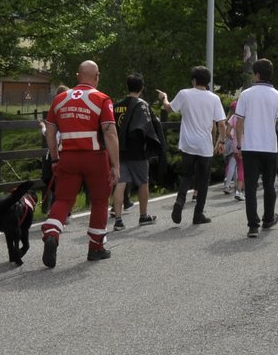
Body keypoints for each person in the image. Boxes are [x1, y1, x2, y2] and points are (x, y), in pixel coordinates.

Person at [40, 60, 120, 267]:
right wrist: (116, 165)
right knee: (100, 201)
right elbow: (110, 132)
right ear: (97, 76)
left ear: (78, 76)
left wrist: (55, 158)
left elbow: (50, 131)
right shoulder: (102, 99)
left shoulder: (59, 99)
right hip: (95, 157)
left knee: (64, 199)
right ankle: (95, 248)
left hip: (67, 157)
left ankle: (51, 232)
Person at [159, 65, 225, 226]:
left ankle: (180, 202)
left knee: (187, 176)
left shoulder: (184, 94)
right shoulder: (214, 98)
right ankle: (198, 214)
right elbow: (221, 124)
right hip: (205, 146)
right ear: (207, 81)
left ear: (194, 80)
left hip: (188, 144)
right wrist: (221, 141)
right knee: (203, 181)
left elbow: (168, 108)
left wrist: (164, 97)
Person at [233, 58, 278, 237]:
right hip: (269, 147)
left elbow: (239, 121)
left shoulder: (246, 94)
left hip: (250, 147)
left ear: (256, 74)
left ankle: (253, 225)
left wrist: (239, 143)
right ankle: (269, 218)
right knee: (269, 185)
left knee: (250, 187)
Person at [111, 73, 163, 229]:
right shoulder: (142, 105)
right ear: (141, 87)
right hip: (137, 151)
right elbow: (147, 128)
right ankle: (143, 216)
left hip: (119, 149)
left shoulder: (116, 105)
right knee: (143, 182)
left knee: (120, 183)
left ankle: (118, 220)